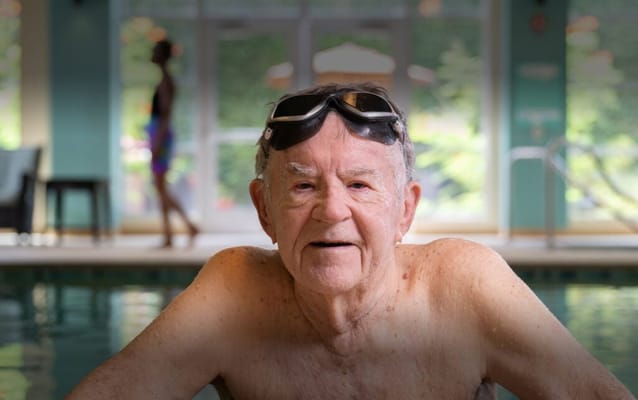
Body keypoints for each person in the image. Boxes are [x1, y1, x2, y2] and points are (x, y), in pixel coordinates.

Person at [66, 83, 635, 399]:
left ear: (405, 210)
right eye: (303, 186)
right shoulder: (234, 295)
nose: (331, 210)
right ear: (264, 209)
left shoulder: (463, 289)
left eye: (360, 185)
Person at [147, 38, 198, 248]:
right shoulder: (164, 80)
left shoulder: (166, 81)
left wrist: (157, 141)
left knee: (160, 186)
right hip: (159, 133)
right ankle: (171, 233)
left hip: (162, 135)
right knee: (160, 187)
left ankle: (186, 227)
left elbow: (165, 114)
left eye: (155, 51)